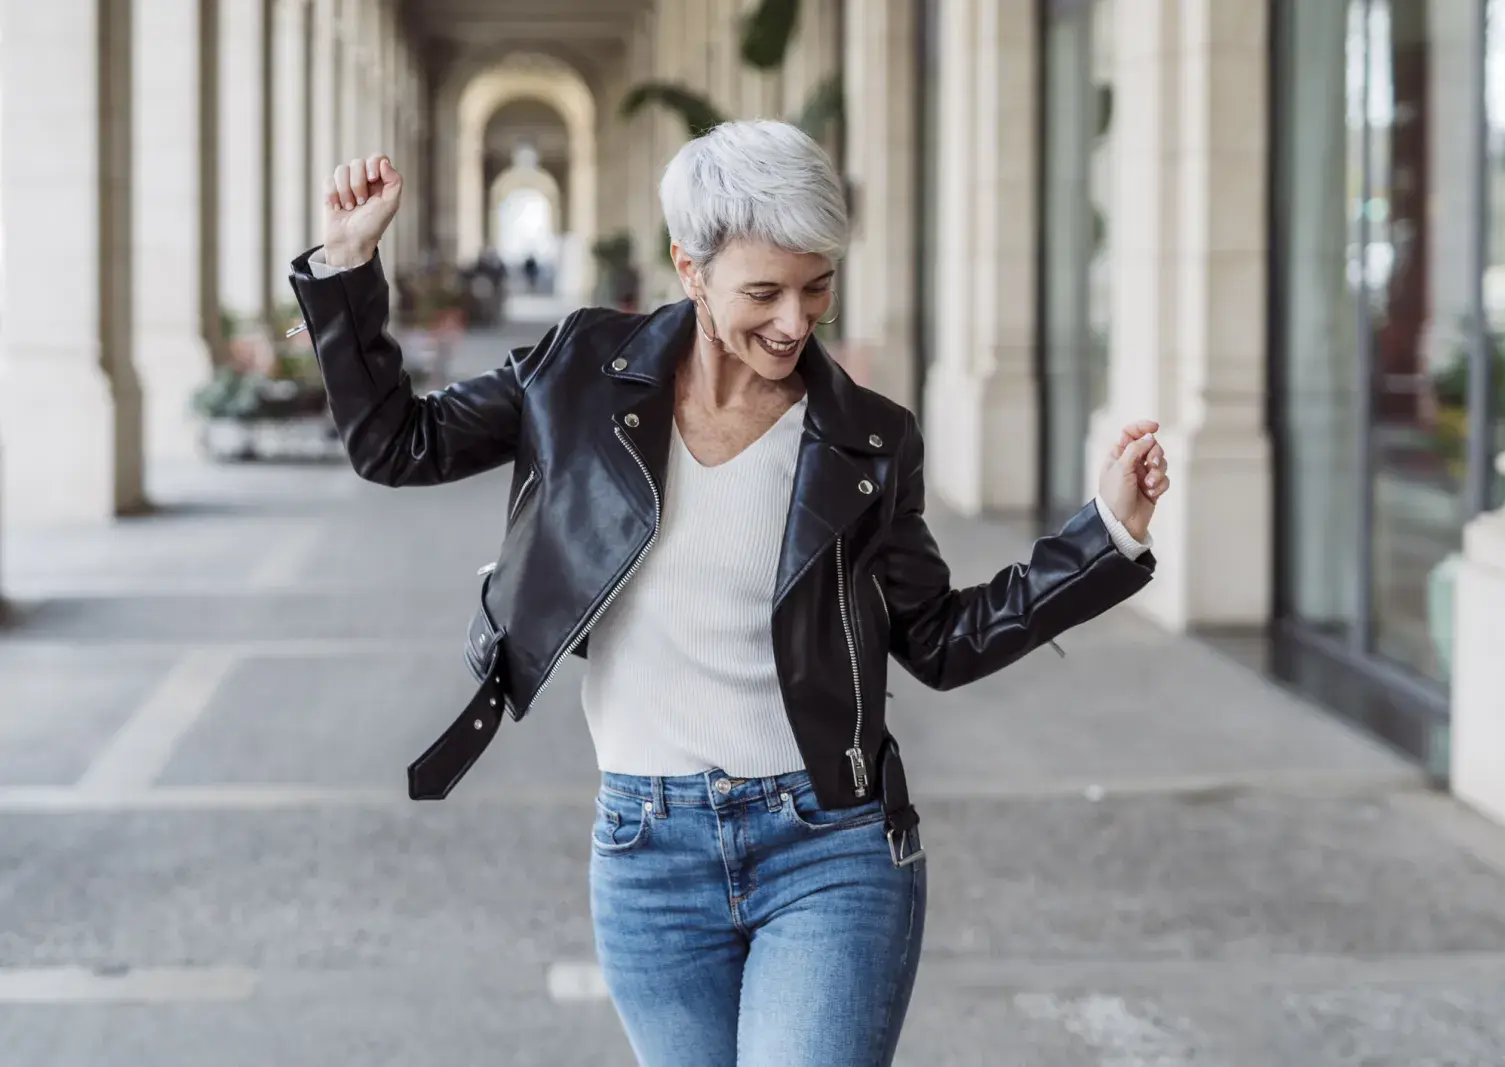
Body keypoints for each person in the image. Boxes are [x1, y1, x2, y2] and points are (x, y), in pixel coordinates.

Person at [288, 121, 1170, 1067]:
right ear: (690, 268)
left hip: (828, 847)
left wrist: (1105, 536)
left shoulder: (868, 441)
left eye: (817, 284)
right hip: (645, 851)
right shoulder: (580, 370)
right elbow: (397, 443)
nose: (796, 320)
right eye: (765, 290)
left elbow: (943, 639)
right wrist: (347, 270)